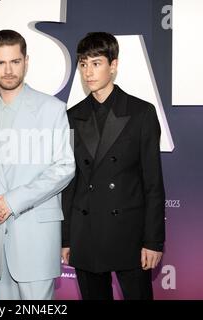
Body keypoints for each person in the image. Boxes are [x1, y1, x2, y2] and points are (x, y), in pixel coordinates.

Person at [0, 29, 75, 300]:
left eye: (15, 61)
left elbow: (64, 167)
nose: (8, 70)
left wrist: (11, 201)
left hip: (36, 237)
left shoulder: (52, 109)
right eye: (1, 63)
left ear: (26, 61)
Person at [61, 32, 165, 300]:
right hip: (86, 233)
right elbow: (70, 183)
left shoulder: (141, 113)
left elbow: (153, 184)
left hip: (128, 234)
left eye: (96, 63)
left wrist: (152, 241)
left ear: (114, 65)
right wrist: (66, 239)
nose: (88, 72)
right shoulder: (72, 116)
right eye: (83, 64)